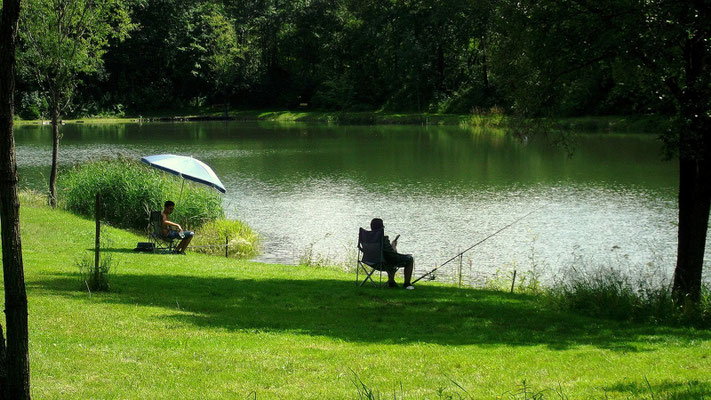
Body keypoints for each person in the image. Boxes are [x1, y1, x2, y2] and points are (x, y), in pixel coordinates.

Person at [370, 218, 415, 290]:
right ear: (382, 228)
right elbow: (392, 254)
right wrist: (393, 245)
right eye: (383, 226)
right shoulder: (383, 239)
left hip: (371, 262)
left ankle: (391, 282)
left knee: (388, 259)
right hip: (383, 263)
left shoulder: (368, 238)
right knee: (409, 258)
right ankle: (407, 284)